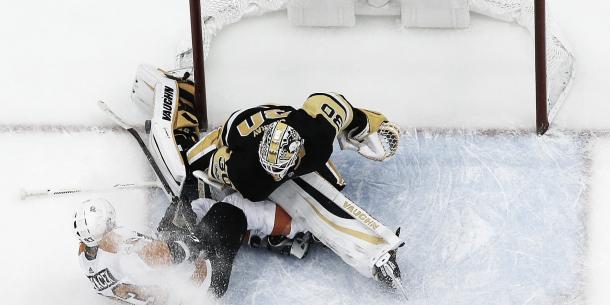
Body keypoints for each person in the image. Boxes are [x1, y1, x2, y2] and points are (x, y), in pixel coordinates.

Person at [74, 195, 310, 304]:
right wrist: (192, 242)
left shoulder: (86, 258)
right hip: (205, 281)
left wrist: (171, 234)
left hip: (178, 294)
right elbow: (167, 256)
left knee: (197, 207)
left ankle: (255, 236)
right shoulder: (125, 244)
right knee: (231, 209)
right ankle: (299, 228)